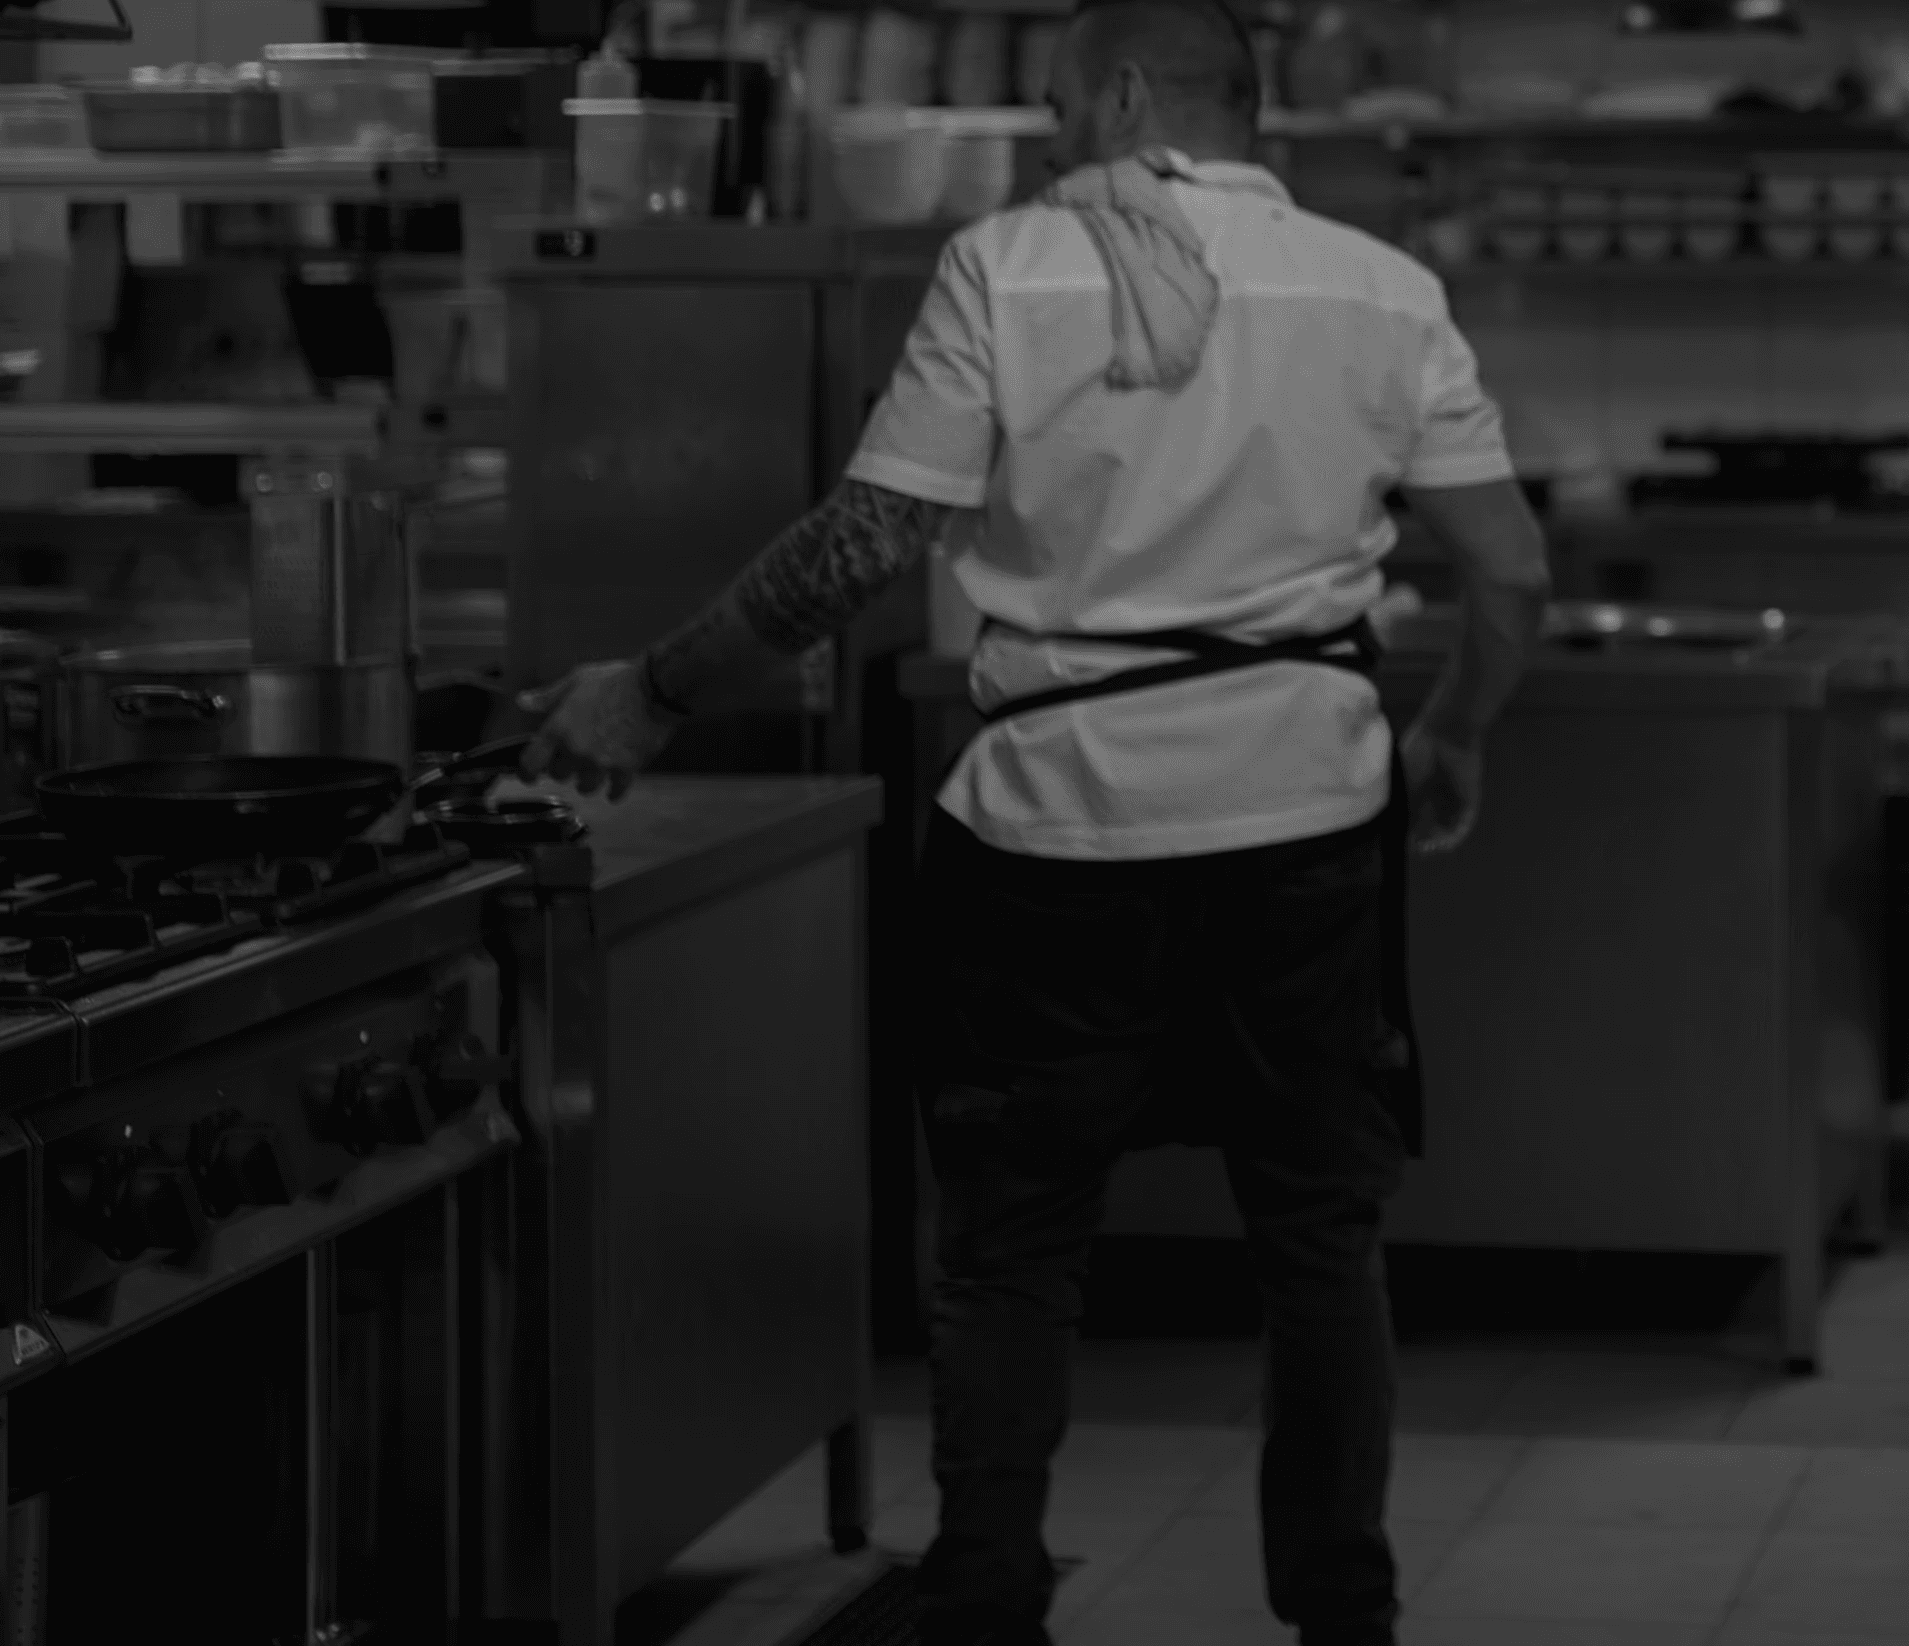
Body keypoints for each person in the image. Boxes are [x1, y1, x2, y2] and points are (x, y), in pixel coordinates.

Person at [516, 1, 1548, 1639]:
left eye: (1062, 105)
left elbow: (864, 547)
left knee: (1011, 1250)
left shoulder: (1008, 266)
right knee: (1319, 1246)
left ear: (1132, 93)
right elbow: (1510, 569)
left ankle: (990, 1595)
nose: (1054, 139)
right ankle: (1345, 1612)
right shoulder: (1381, 287)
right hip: (1309, 825)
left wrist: (656, 684)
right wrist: (1454, 731)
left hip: (1057, 830)